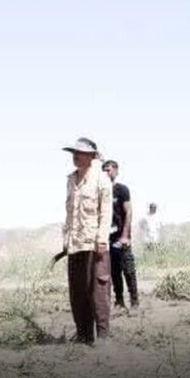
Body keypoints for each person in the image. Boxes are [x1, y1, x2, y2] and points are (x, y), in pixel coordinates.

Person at [62, 138, 112, 344]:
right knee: (78, 291)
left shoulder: (102, 179)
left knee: (98, 291)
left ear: (91, 157)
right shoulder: (71, 180)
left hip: (94, 243)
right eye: (74, 152)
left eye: (80, 153)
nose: (76, 156)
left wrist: (102, 239)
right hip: (75, 244)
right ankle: (83, 334)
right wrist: (66, 239)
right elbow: (69, 213)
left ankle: (103, 336)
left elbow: (105, 212)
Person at [101, 159, 139, 314]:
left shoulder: (122, 189)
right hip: (106, 238)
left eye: (108, 169)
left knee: (128, 270)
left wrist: (125, 235)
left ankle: (135, 302)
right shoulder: (101, 191)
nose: (106, 172)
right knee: (114, 272)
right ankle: (119, 301)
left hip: (121, 237)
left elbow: (128, 212)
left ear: (116, 171)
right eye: (104, 170)